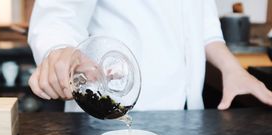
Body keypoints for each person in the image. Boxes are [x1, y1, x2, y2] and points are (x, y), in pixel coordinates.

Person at [27, 0, 272, 111]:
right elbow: (59, 15)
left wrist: (232, 69)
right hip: (114, 110)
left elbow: (204, 24)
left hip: (189, 115)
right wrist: (58, 51)